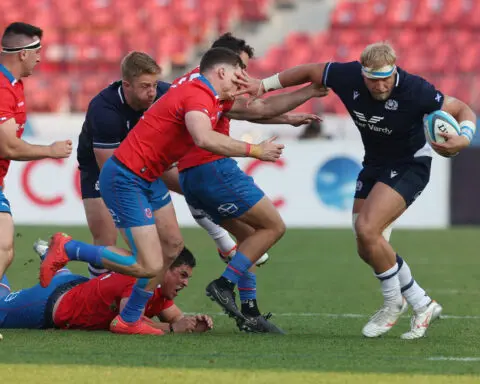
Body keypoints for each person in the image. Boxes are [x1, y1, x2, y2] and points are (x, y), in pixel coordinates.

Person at [235, 41, 477, 339]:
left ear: (395, 71)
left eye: (386, 79)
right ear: (363, 75)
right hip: (374, 162)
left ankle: (393, 303)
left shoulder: (415, 89)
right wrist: (265, 84)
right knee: (366, 244)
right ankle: (421, 302)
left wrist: (464, 138)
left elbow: (461, 108)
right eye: (373, 80)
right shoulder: (347, 75)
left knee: (367, 228)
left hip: (410, 163)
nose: (380, 86)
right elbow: (311, 70)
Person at [39, 47, 286, 335]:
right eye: (237, 74)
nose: (242, 82)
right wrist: (255, 150)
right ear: (220, 71)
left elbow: (253, 109)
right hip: (124, 176)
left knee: (172, 246)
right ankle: (69, 249)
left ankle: (128, 319)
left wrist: (292, 113)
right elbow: (203, 138)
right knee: (147, 263)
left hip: (148, 174)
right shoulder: (191, 94)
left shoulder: (188, 90)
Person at [176, 34, 327, 333]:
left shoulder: (191, 83)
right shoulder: (206, 87)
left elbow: (247, 109)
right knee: (273, 227)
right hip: (212, 168)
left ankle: (250, 314)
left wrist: (287, 119)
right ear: (223, 64)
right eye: (241, 67)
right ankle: (223, 284)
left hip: (190, 175)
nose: (245, 76)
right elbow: (256, 109)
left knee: (250, 244)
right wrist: (310, 90)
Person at [76, 51, 239, 278]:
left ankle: (221, 238)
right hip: (103, 169)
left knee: (181, 220)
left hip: (146, 162)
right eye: (145, 86)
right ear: (127, 85)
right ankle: (95, 298)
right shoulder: (104, 109)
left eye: (154, 84)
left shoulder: (165, 93)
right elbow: (109, 169)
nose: (152, 92)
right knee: (106, 239)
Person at [0, 22, 72, 286]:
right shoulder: (2, 86)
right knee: (4, 246)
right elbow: (6, 146)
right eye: (38, 51)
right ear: (23, 53)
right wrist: (49, 151)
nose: (40, 58)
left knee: (4, 250)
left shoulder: (13, 84)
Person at [0, 245, 211, 334]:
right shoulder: (137, 282)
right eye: (182, 275)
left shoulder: (156, 287)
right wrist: (174, 329)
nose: (185, 283)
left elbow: (175, 317)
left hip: (77, 285)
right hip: (49, 303)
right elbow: (124, 323)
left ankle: (53, 260)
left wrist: (194, 324)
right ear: (165, 269)